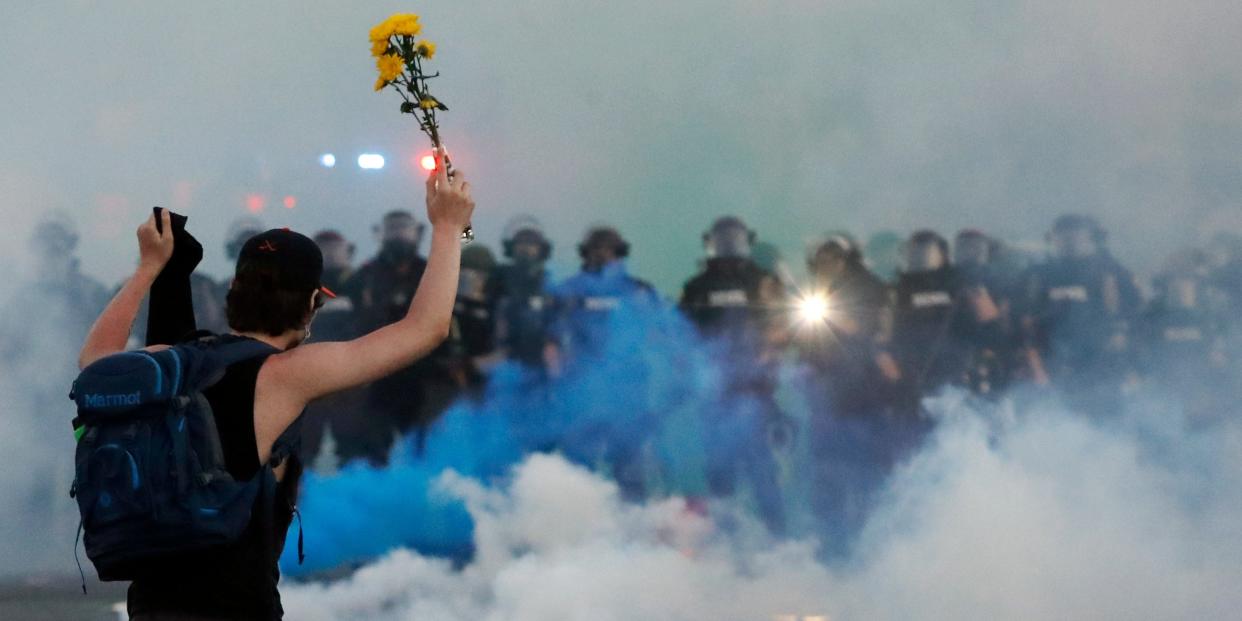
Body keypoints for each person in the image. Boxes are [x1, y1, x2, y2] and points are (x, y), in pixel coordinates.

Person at [76, 151, 475, 619]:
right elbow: (425, 329)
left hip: (150, 608)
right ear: (310, 302)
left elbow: (94, 361)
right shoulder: (286, 376)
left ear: (234, 293)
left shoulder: (174, 362)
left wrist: (148, 268)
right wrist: (448, 227)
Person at [679, 216, 787, 535]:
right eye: (721, 239)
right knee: (719, 473)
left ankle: (777, 540)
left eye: (734, 238)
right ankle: (723, 546)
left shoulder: (763, 281)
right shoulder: (697, 287)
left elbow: (786, 324)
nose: (728, 245)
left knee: (762, 471)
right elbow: (682, 334)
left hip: (756, 390)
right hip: (717, 392)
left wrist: (770, 349)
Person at [794, 233, 892, 551]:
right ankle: (831, 542)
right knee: (826, 469)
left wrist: (832, 314)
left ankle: (874, 541)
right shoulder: (817, 291)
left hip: (864, 394)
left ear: (847, 259)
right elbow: (806, 340)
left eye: (834, 257)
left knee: (866, 470)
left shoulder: (870, 288)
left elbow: (866, 330)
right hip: (826, 396)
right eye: (822, 258)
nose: (827, 264)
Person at [552, 225, 659, 501]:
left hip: (628, 391)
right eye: (596, 250)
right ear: (585, 254)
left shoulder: (639, 291)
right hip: (582, 389)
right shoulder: (569, 292)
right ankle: (580, 527)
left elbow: (662, 334)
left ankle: (635, 527)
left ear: (620, 254)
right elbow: (550, 337)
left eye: (609, 250)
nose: (602, 256)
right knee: (580, 467)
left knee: (630, 467)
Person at [1019, 214, 1142, 416]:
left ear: (1091, 238)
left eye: (1075, 236)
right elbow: (1024, 317)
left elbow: (1134, 318)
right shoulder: (1038, 274)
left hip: (1101, 363)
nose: (1069, 242)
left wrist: (1128, 361)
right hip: (1051, 363)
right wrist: (1032, 356)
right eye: (1062, 237)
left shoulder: (1112, 272)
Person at [346, 210, 431, 464]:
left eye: (404, 229)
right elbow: (351, 320)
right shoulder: (366, 275)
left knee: (422, 444)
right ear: (381, 234)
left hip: (422, 370)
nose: (398, 236)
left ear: (416, 234)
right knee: (372, 442)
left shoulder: (430, 271)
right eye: (392, 229)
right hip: (375, 370)